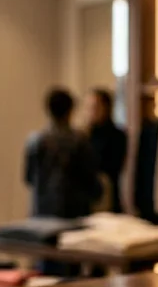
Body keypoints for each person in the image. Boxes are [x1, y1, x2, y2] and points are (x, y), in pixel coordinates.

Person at [24, 88, 102, 219]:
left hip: (42, 211)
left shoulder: (36, 141)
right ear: (70, 110)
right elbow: (90, 179)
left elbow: (28, 178)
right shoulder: (79, 141)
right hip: (74, 212)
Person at [86, 88, 128, 212]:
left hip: (107, 196)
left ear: (106, 108)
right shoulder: (84, 136)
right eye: (88, 108)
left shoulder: (117, 136)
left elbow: (114, 167)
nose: (90, 112)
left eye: (95, 107)